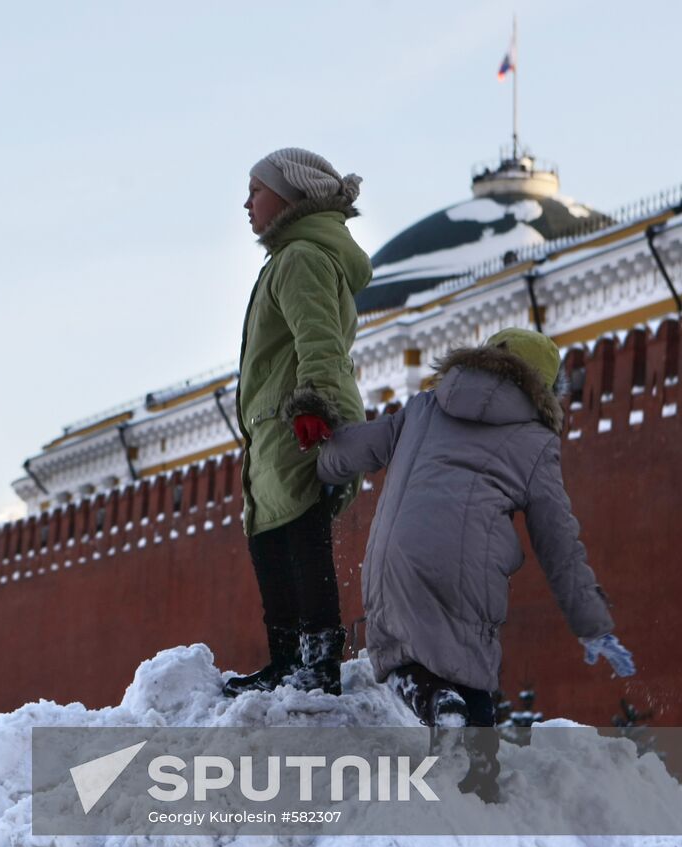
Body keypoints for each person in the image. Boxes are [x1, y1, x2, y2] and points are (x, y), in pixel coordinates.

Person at [314, 327, 636, 726]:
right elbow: (559, 542)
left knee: (401, 656)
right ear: (546, 388)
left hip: (397, 557)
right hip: (470, 572)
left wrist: (319, 462)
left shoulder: (423, 407)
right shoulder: (535, 442)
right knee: (471, 673)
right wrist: (592, 624)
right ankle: (474, 749)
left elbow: (350, 449)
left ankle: (436, 701)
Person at [224, 147, 372, 697]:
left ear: (289, 196)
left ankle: (319, 661)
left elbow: (319, 341)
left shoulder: (301, 257)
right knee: (271, 540)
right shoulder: (287, 258)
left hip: (299, 421)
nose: (247, 203)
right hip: (274, 427)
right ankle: (286, 660)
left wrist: (314, 405)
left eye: (256, 191)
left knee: (301, 538)